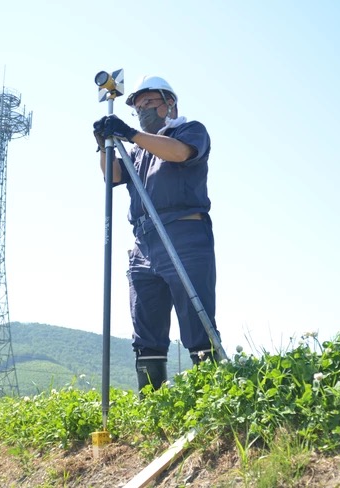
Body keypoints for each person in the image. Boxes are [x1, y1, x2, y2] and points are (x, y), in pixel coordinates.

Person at [93, 75, 222, 393]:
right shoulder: (138, 151)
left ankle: (212, 397)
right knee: (145, 324)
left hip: (184, 233)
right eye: (138, 106)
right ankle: (154, 402)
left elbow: (179, 154)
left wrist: (131, 133)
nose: (143, 110)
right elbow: (113, 176)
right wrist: (103, 145)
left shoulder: (189, 130)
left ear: (170, 103)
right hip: (144, 241)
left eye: (149, 103)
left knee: (196, 319)